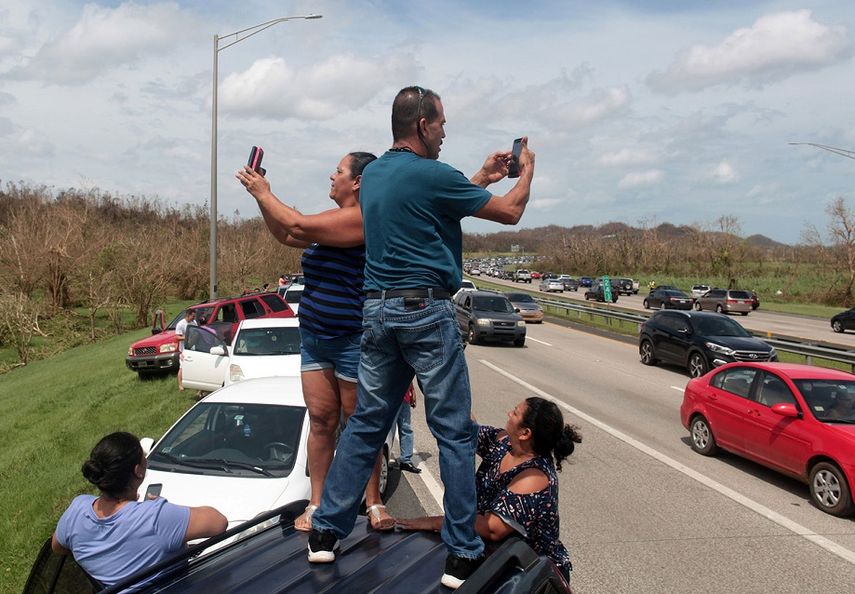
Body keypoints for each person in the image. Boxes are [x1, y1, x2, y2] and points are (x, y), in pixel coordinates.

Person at [308, 86, 535, 590]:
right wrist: (527, 169)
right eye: (442, 124)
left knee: (367, 423)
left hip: (377, 312)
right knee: (452, 430)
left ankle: (324, 533)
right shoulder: (435, 175)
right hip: (425, 312)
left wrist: (480, 176)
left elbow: (428, 204)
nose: (445, 131)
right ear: (422, 125)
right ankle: (461, 554)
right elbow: (511, 212)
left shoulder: (376, 176)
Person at [236, 151, 395, 531]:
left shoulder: (362, 218)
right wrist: (262, 197)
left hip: (352, 338)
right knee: (322, 421)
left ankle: (372, 501)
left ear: (357, 181)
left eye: (338, 171)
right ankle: (317, 501)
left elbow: (296, 222)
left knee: (359, 423)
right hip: (315, 337)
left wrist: (264, 193)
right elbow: (288, 232)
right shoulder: (327, 221)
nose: (331, 175)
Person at [397, 397, 581, 583]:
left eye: (515, 412)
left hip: (532, 574)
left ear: (525, 433)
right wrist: (450, 395)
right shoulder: (504, 444)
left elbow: (491, 528)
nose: (509, 414)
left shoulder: (534, 477)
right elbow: (468, 430)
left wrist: (432, 523)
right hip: (499, 558)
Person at [51, 432, 227, 588]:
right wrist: (160, 507)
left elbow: (57, 548)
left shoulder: (76, 509)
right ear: (138, 471)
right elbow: (219, 522)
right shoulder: (155, 517)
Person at [396, 383, 421, 474]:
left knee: (406, 428)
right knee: (387, 430)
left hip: (404, 397)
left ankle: (405, 461)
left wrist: (412, 390)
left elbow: (408, 372)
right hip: (389, 397)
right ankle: (383, 459)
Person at [175, 309, 197, 391]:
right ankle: (180, 385)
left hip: (193, 348)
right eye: (193, 316)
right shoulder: (180, 324)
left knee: (194, 366)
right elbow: (177, 337)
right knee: (182, 367)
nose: (194, 318)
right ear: (188, 315)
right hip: (184, 350)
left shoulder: (194, 323)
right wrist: (186, 337)